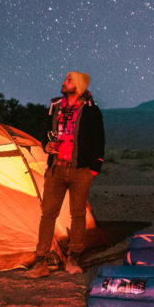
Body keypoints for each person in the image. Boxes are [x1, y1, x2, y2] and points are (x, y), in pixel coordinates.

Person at [26, 71, 105, 277]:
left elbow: (99, 141)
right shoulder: (55, 107)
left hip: (80, 170)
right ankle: (41, 260)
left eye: (68, 80)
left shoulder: (91, 110)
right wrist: (46, 145)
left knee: (78, 214)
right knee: (48, 214)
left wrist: (93, 170)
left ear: (77, 86)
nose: (63, 82)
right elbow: (46, 131)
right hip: (57, 168)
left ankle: (73, 256)